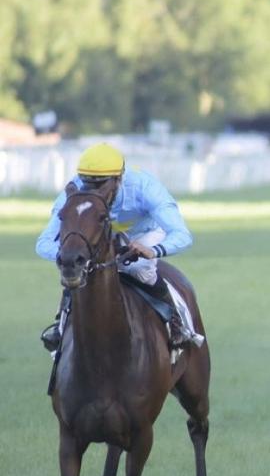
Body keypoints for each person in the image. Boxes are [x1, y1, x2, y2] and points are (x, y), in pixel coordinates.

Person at [35, 142, 202, 350]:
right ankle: (61, 326)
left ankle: (175, 321)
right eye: (87, 183)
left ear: (118, 178)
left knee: (138, 267)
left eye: (101, 184)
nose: (93, 191)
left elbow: (182, 234)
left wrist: (152, 250)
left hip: (147, 233)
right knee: (79, 270)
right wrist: (69, 255)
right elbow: (43, 243)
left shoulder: (145, 188)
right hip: (101, 236)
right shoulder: (74, 192)